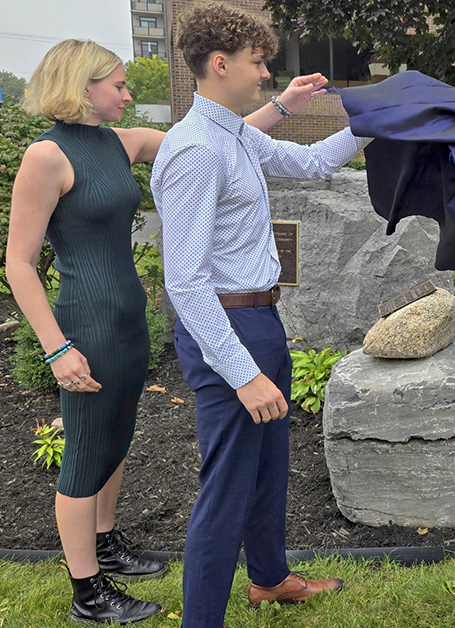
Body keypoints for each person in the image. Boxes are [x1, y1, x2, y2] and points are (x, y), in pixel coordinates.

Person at [6, 37, 327, 625]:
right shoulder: (45, 157)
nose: (129, 94)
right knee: (84, 451)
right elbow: (18, 264)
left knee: (117, 438)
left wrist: (282, 104)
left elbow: (218, 138)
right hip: (86, 320)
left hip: (130, 314)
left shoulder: (121, 143)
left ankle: (106, 546)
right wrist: (56, 347)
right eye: (119, 84)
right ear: (81, 86)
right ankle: (87, 590)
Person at [151, 3, 373, 625]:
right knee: (226, 489)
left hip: (260, 320)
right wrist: (243, 374)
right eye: (257, 64)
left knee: (270, 464)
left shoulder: (231, 132)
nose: (266, 76)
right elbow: (185, 282)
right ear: (220, 65)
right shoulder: (196, 151)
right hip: (225, 330)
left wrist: (378, 122)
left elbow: (309, 163)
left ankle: (269, 579)